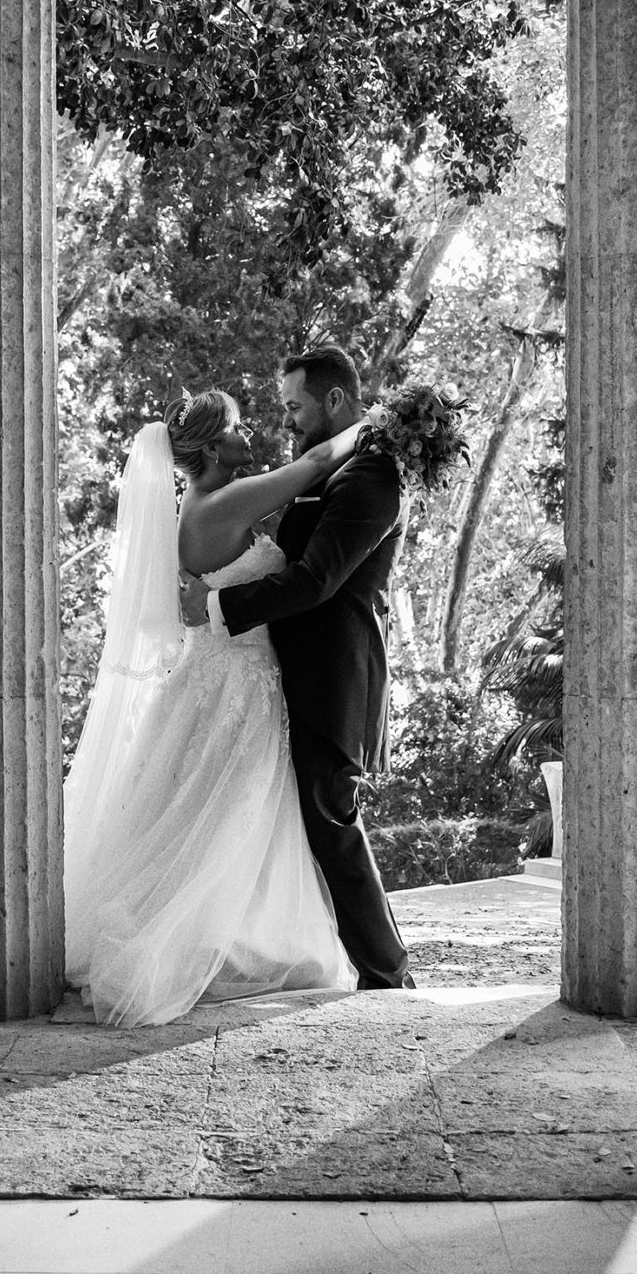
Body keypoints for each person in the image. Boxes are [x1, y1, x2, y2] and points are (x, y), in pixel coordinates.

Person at [63, 388, 362, 1026]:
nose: (247, 434)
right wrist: (376, 423)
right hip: (238, 685)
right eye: (236, 427)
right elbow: (314, 466)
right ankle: (182, 947)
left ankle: (222, 938)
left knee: (206, 816)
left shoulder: (199, 505)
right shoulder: (224, 502)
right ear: (212, 446)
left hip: (214, 677)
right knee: (228, 815)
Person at [178, 345, 414, 990]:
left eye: (294, 406)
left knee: (331, 820)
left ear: (334, 400)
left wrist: (218, 604)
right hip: (285, 676)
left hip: (332, 677)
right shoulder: (329, 471)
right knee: (315, 822)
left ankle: (388, 976)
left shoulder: (371, 475)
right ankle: (369, 968)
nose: (285, 420)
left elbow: (316, 580)